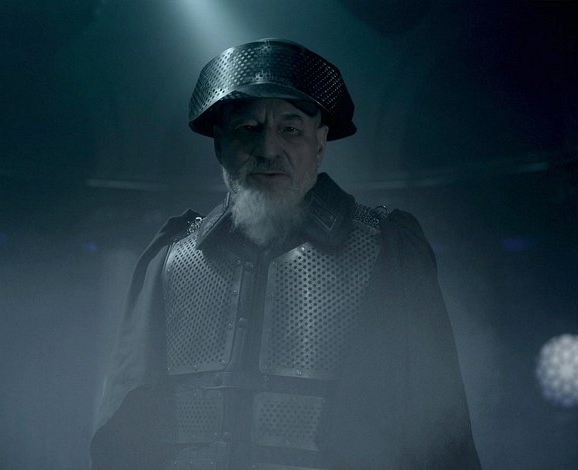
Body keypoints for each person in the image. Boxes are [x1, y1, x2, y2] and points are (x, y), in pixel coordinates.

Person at [90, 38, 481, 469]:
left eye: (290, 129)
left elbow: (439, 434)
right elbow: (126, 432)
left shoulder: (387, 250)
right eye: (248, 128)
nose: (267, 150)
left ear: (320, 142)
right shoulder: (170, 260)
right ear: (219, 144)